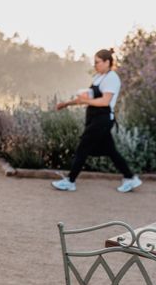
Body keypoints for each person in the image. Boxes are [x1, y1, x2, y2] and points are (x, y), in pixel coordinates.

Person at [51, 48, 142, 193]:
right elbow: (88, 98)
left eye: (98, 62)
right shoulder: (98, 77)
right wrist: (67, 103)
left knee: (83, 147)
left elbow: (105, 102)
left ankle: (70, 181)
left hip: (103, 119)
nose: (95, 65)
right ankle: (130, 178)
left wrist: (86, 100)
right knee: (111, 151)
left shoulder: (112, 78)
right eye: (94, 62)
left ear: (107, 62)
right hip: (95, 118)